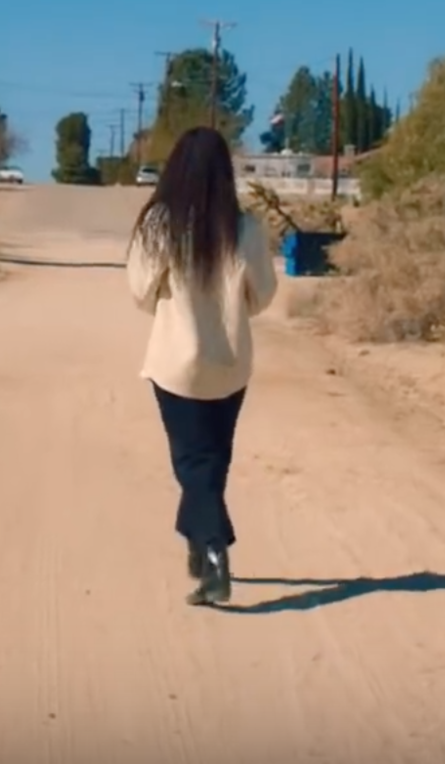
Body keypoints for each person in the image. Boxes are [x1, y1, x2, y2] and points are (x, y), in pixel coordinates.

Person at [124, 126, 279, 607]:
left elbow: (140, 290)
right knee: (213, 460)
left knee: (192, 463)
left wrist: (171, 302)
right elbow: (263, 295)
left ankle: (213, 552)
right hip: (231, 362)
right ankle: (195, 537)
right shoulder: (245, 227)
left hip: (177, 363)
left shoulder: (159, 224)